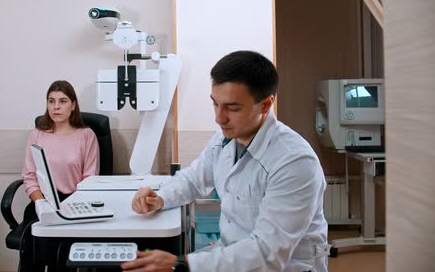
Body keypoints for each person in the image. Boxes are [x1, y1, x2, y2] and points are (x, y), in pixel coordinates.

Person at [122, 51, 329, 272]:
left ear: (266, 105)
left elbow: (267, 253)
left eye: (232, 108)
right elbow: (193, 180)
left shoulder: (294, 162)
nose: (219, 118)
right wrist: (160, 197)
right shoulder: (225, 138)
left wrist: (181, 264)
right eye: (215, 104)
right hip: (230, 255)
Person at [21, 80, 100, 223]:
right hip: (43, 202)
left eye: (63, 101)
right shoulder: (36, 135)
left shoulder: (87, 135)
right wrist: (41, 204)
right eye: (51, 101)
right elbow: (30, 176)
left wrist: (68, 208)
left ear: (73, 105)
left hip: (75, 203)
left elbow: (90, 178)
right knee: (37, 236)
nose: (56, 107)